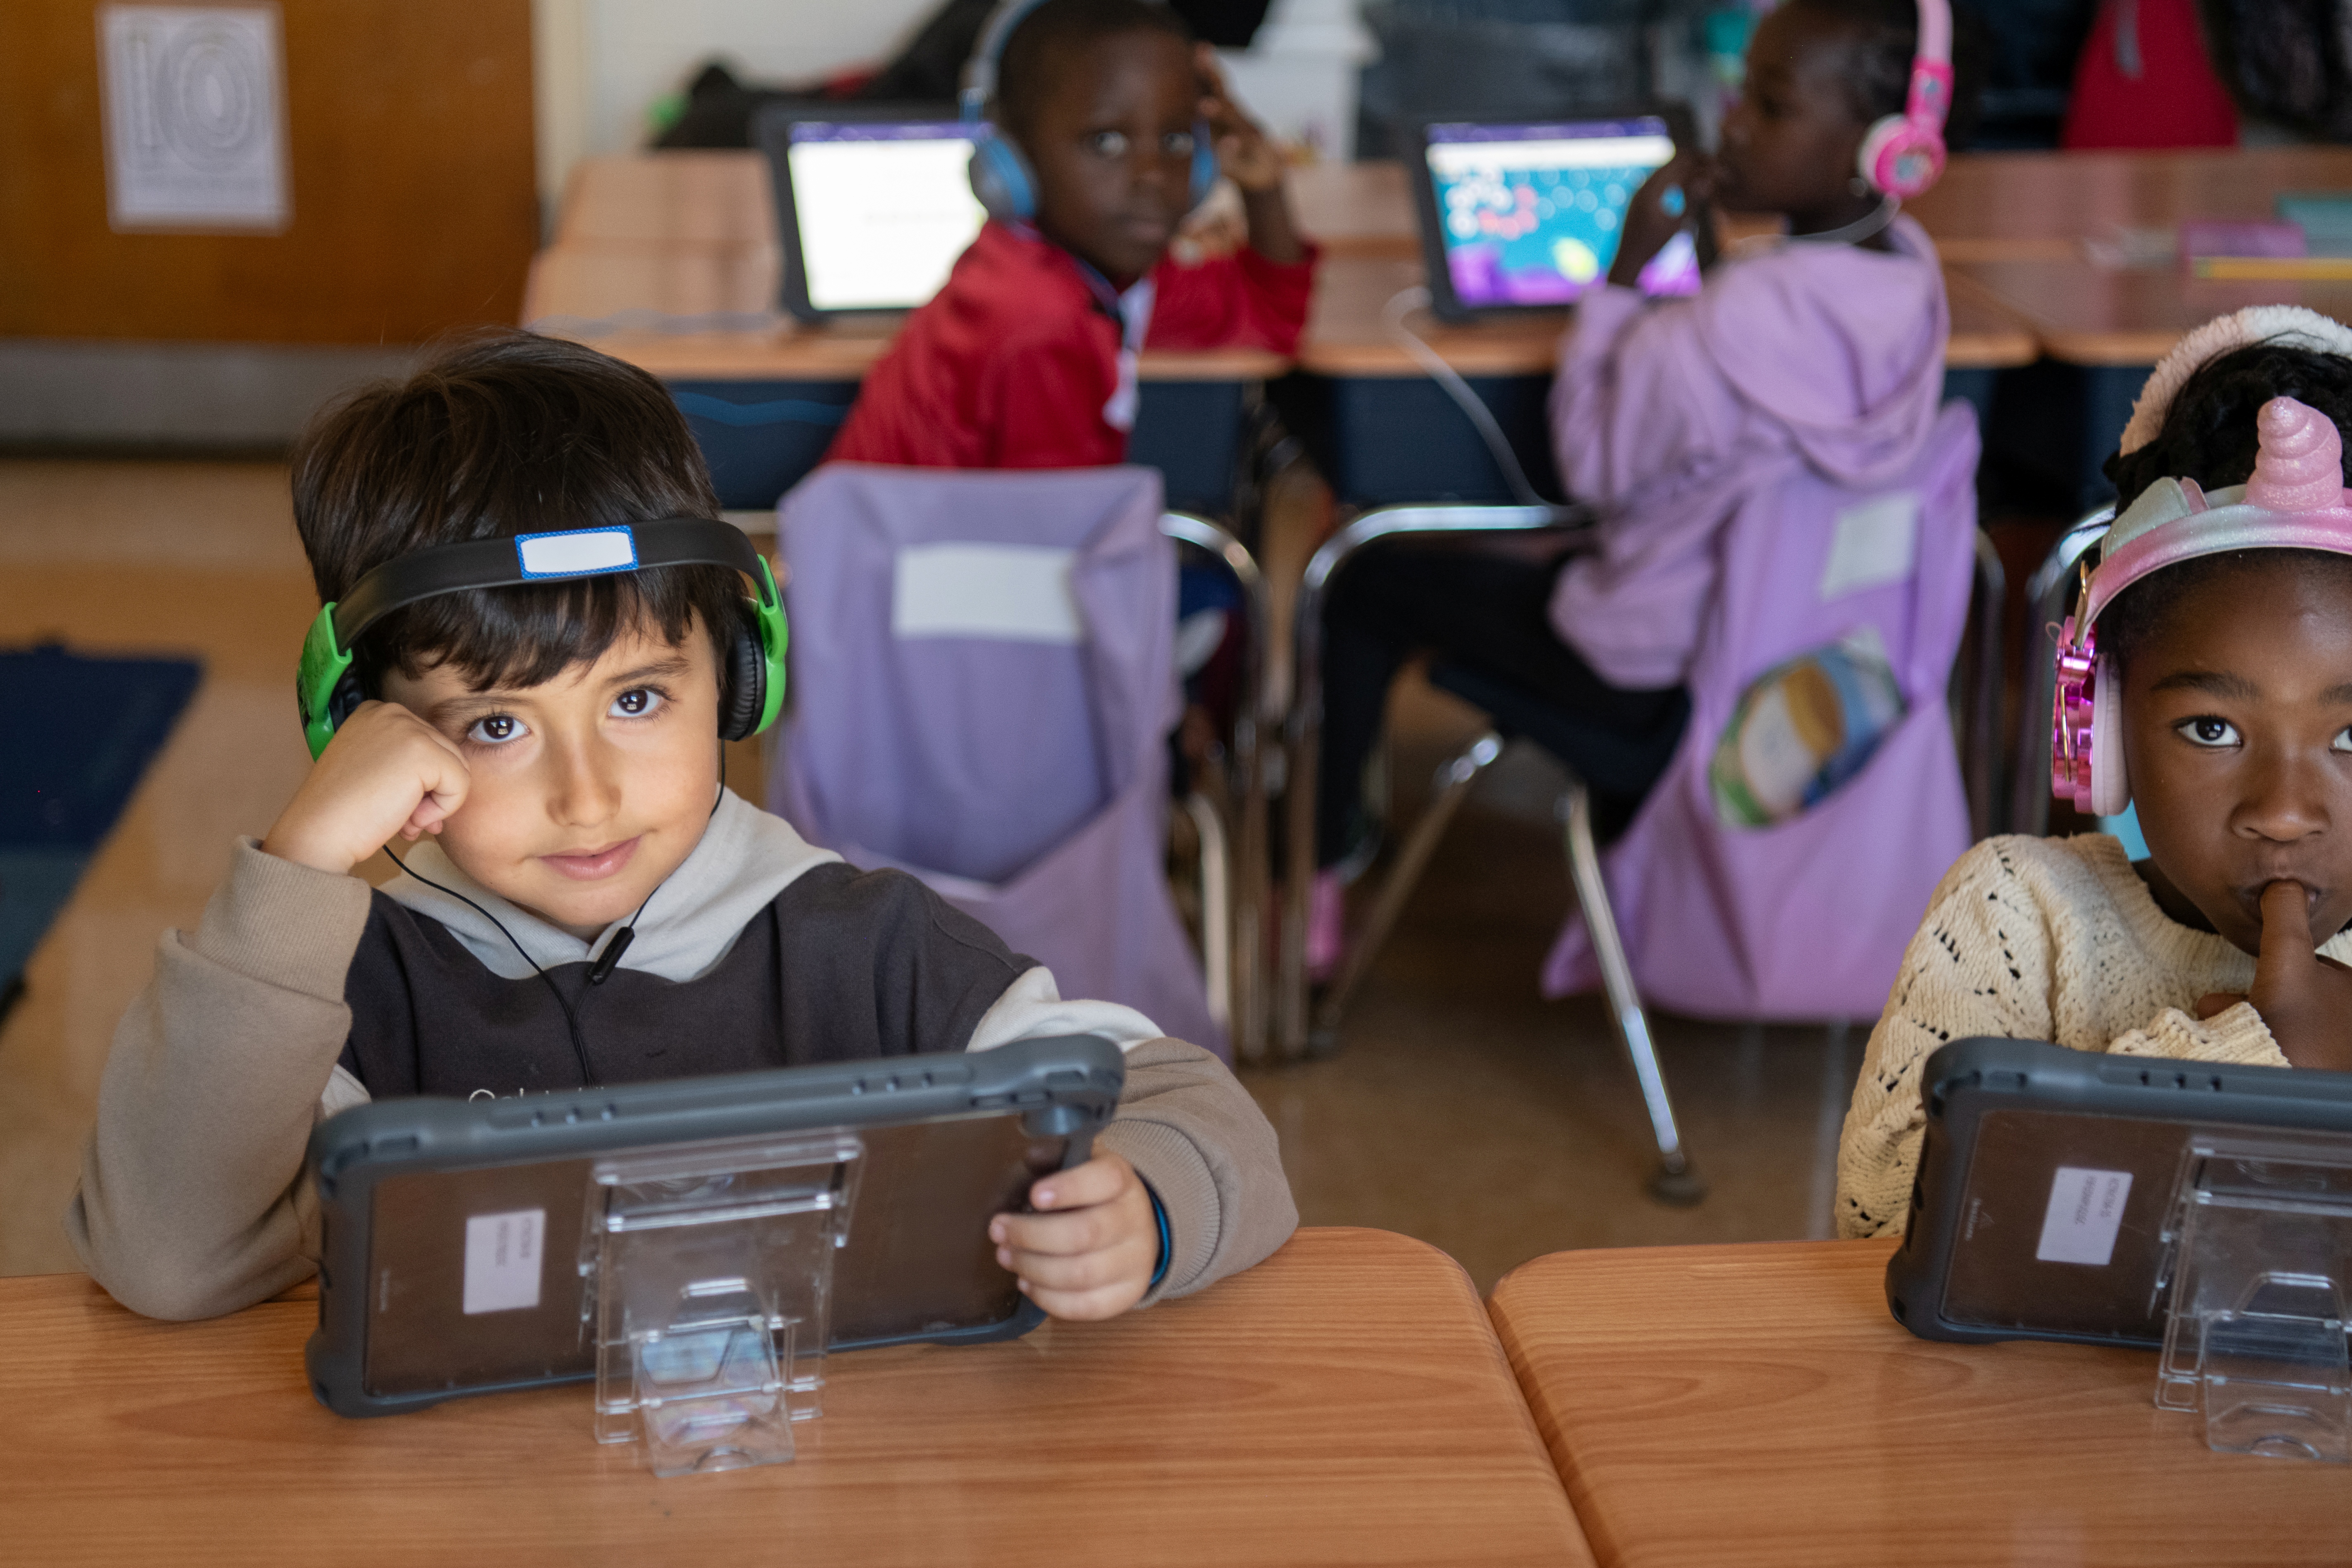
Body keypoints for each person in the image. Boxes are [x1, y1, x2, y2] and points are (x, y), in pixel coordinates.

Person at [66, 330, 1296, 1320]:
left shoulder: (858, 942)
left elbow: (1198, 1107)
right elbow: (169, 1254)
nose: (588, 793)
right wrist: (296, 872)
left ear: (742, 674)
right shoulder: (338, 989)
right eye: (496, 722)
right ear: (361, 733)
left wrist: (1146, 1199)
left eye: (639, 697)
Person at [1307, 0, 1976, 976]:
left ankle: (1318, 878)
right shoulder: (1910, 282)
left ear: (1881, 151)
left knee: (1363, 580)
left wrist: (1624, 278)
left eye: (1771, 107)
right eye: (1741, 93)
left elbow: (1594, 470)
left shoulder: (1719, 327)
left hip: (1646, 679)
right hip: (1788, 672)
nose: (1731, 121)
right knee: (1519, 559)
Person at [1836, 306, 2352, 1240]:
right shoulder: (2016, 913)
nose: (2283, 811)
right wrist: (2246, 1060)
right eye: (2209, 727)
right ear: (2097, 728)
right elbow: (1877, 1221)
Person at [824, 0, 1314, 470]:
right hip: (910, 554)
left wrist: (1264, 189)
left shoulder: (1105, 278)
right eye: (1106, 141)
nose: (1152, 175)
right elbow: (1050, 535)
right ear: (1012, 157)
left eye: (1177, 141)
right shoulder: (1032, 315)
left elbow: (1268, 323)